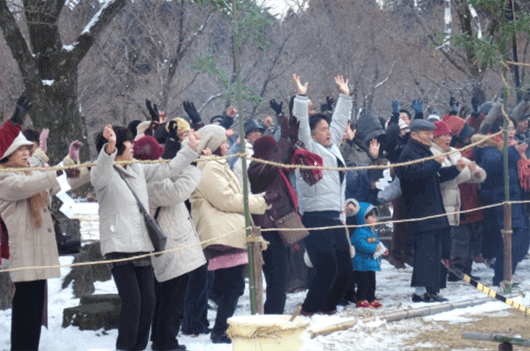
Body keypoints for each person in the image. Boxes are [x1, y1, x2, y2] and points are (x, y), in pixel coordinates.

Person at [90, 124, 197, 351]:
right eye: (128, 143)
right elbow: (101, 173)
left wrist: (189, 150)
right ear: (117, 147)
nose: (132, 147)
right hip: (118, 246)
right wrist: (109, 148)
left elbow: (166, 169)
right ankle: (126, 348)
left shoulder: (137, 169)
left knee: (148, 303)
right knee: (133, 303)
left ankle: (138, 347)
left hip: (141, 245)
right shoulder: (103, 174)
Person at [0, 94, 89, 351]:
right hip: (22, 255)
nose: (28, 153)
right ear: (8, 154)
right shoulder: (6, 179)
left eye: (29, 149)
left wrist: (92, 166)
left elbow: (57, 181)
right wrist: (55, 169)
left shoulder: (30, 174)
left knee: (35, 314)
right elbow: (35, 182)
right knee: (24, 314)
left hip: (36, 255)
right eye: (22, 150)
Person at [190, 124, 269, 344]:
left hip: (228, 232)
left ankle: (222, 327)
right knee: (233, 286)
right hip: (222, 235)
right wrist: (261, 203)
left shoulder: (217, 165)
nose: (227, 144)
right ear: (212, 146)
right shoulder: (209, 168)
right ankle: (220, 331)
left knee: (229, 285)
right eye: (223, 141)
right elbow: (226, 200)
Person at [132, 133, 205, 351]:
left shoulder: (144, 176)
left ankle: (162, 338)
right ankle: (165, 341)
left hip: (171, 244)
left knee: (167, 295)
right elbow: (177, 192)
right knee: (171, 298)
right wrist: (192, 167)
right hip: (170, 246)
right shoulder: (148, 181)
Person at [291, 73, 354, 316]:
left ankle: (329, 305)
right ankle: (308, 309)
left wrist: (345, 97)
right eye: (323, 129)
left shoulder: (333, 147)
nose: (328, 132)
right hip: (314, 216)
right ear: (313, 133)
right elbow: (300, 123)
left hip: (335, 216)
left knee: (345, 268)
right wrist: (301, 96)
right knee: (327, 267)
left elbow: (338, 122)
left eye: (328, 129)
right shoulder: (308, 147)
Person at [396, 119, 463, 303]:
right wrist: (435, 164)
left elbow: (436, 176)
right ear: (414, 134)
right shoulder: (408, 153)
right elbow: (413, 177)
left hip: (433, 211)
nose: (430, 137)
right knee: (425, 254)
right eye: (426, 133)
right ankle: (420, 292)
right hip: (421, 212)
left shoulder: (424, 151)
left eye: (431, 133)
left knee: (436, 253)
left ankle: (432, 290)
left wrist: (455, 170)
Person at [247, 116, 299, 314]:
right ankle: (272, 318)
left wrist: (291, 140)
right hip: (268, 231)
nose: (276, 153)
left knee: (282, 280)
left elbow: (288, 160)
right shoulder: (257, 169)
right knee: (277, 280)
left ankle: (275, 316)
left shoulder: (275, 168)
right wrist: (283, 138)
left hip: (281, 226)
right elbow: (276, 161)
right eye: (273, 149)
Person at [472, 117, 528, 286]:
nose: (511, 132)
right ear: (497, 130)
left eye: (512, 128)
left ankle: (507, 275)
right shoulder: (487, 146)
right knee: (510, 241)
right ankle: (502, 277)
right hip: (500, 201)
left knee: (521, 240)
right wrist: (514, 153)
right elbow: (494, 164)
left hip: (516, 200)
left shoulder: (512, 147)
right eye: (507, 129)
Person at [430, 120, 486, 282]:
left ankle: (464, 270)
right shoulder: (433, 153)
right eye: (443, 136)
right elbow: (447, 178)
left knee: (467, 238)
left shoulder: (455, 152)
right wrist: (462, 171)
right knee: (454, 241)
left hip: (461, 202)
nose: (447, 138)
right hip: (444, 202)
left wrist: (476, 173)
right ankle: (454, 271)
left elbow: (472, 171)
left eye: (449, 135)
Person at [349, 202, 386, 308]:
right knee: (363, 282)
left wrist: (383, 249)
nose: (375, 219)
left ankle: (371, 298)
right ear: (363, 217)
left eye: (375, 217)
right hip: (361, 264)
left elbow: (377, 242)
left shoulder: (372, 232)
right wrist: (375, 248)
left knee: (372, 282)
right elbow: (361, 244)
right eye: (372, 217)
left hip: (371, 263)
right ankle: (361, 298)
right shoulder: (359, 232)